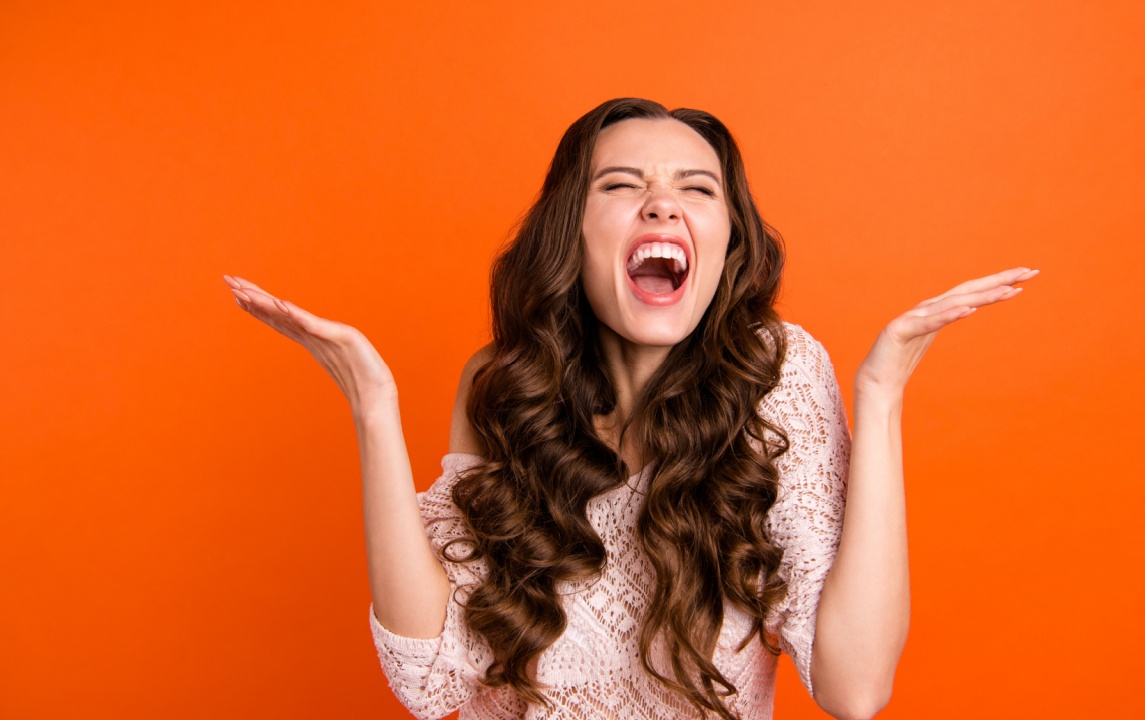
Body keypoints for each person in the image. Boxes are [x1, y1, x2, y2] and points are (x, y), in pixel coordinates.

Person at [223, 97, 1036, 720]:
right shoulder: (506, 387)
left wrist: (882, 393)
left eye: (697, 188)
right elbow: (428, 675)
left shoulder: (777, 377)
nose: (662, 205)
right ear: (570, 234)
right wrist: (373, 405)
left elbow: (854, 687)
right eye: (621, 185)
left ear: (727, 241)